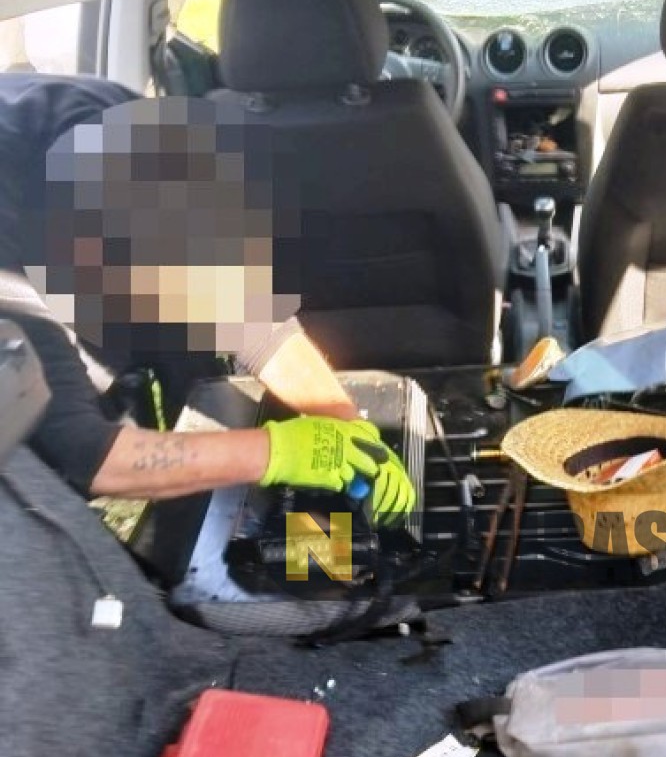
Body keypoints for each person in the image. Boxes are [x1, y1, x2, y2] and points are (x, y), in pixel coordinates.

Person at [2, 78, 415, 517]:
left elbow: (256, 326)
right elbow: (91, 456)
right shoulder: (15, 288)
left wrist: (347, 425)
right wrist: (278, 452)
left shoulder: (121, 125)